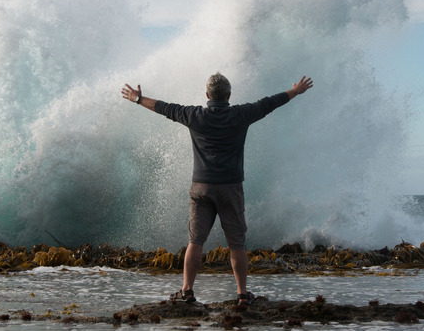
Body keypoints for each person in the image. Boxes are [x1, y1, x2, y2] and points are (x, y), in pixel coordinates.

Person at [121, 72, 313, 306]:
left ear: (207, 95)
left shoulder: (194, 115)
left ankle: (187, 291)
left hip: (201, 188)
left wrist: (137, 99)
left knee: (196, 241)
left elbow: (164, 108)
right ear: (229, 96)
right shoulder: (241, 114)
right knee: (236, 243)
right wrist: (295, 91)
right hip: (231, 188)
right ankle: (242, 295)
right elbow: (269, 103)